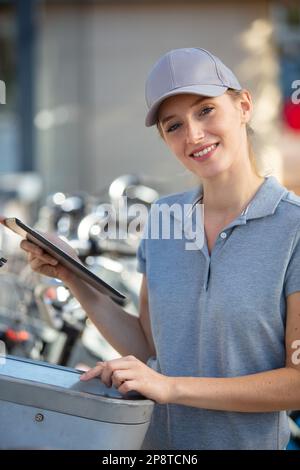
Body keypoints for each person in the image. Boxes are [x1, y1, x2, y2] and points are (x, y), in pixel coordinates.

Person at [21, 48, 300, 450]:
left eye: (205, 110)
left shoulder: (293, 227)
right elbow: (151, 347)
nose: (194, 135)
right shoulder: (164, 219)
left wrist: (171, 388)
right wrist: (72, 273)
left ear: (243, 105)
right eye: (174, 126)